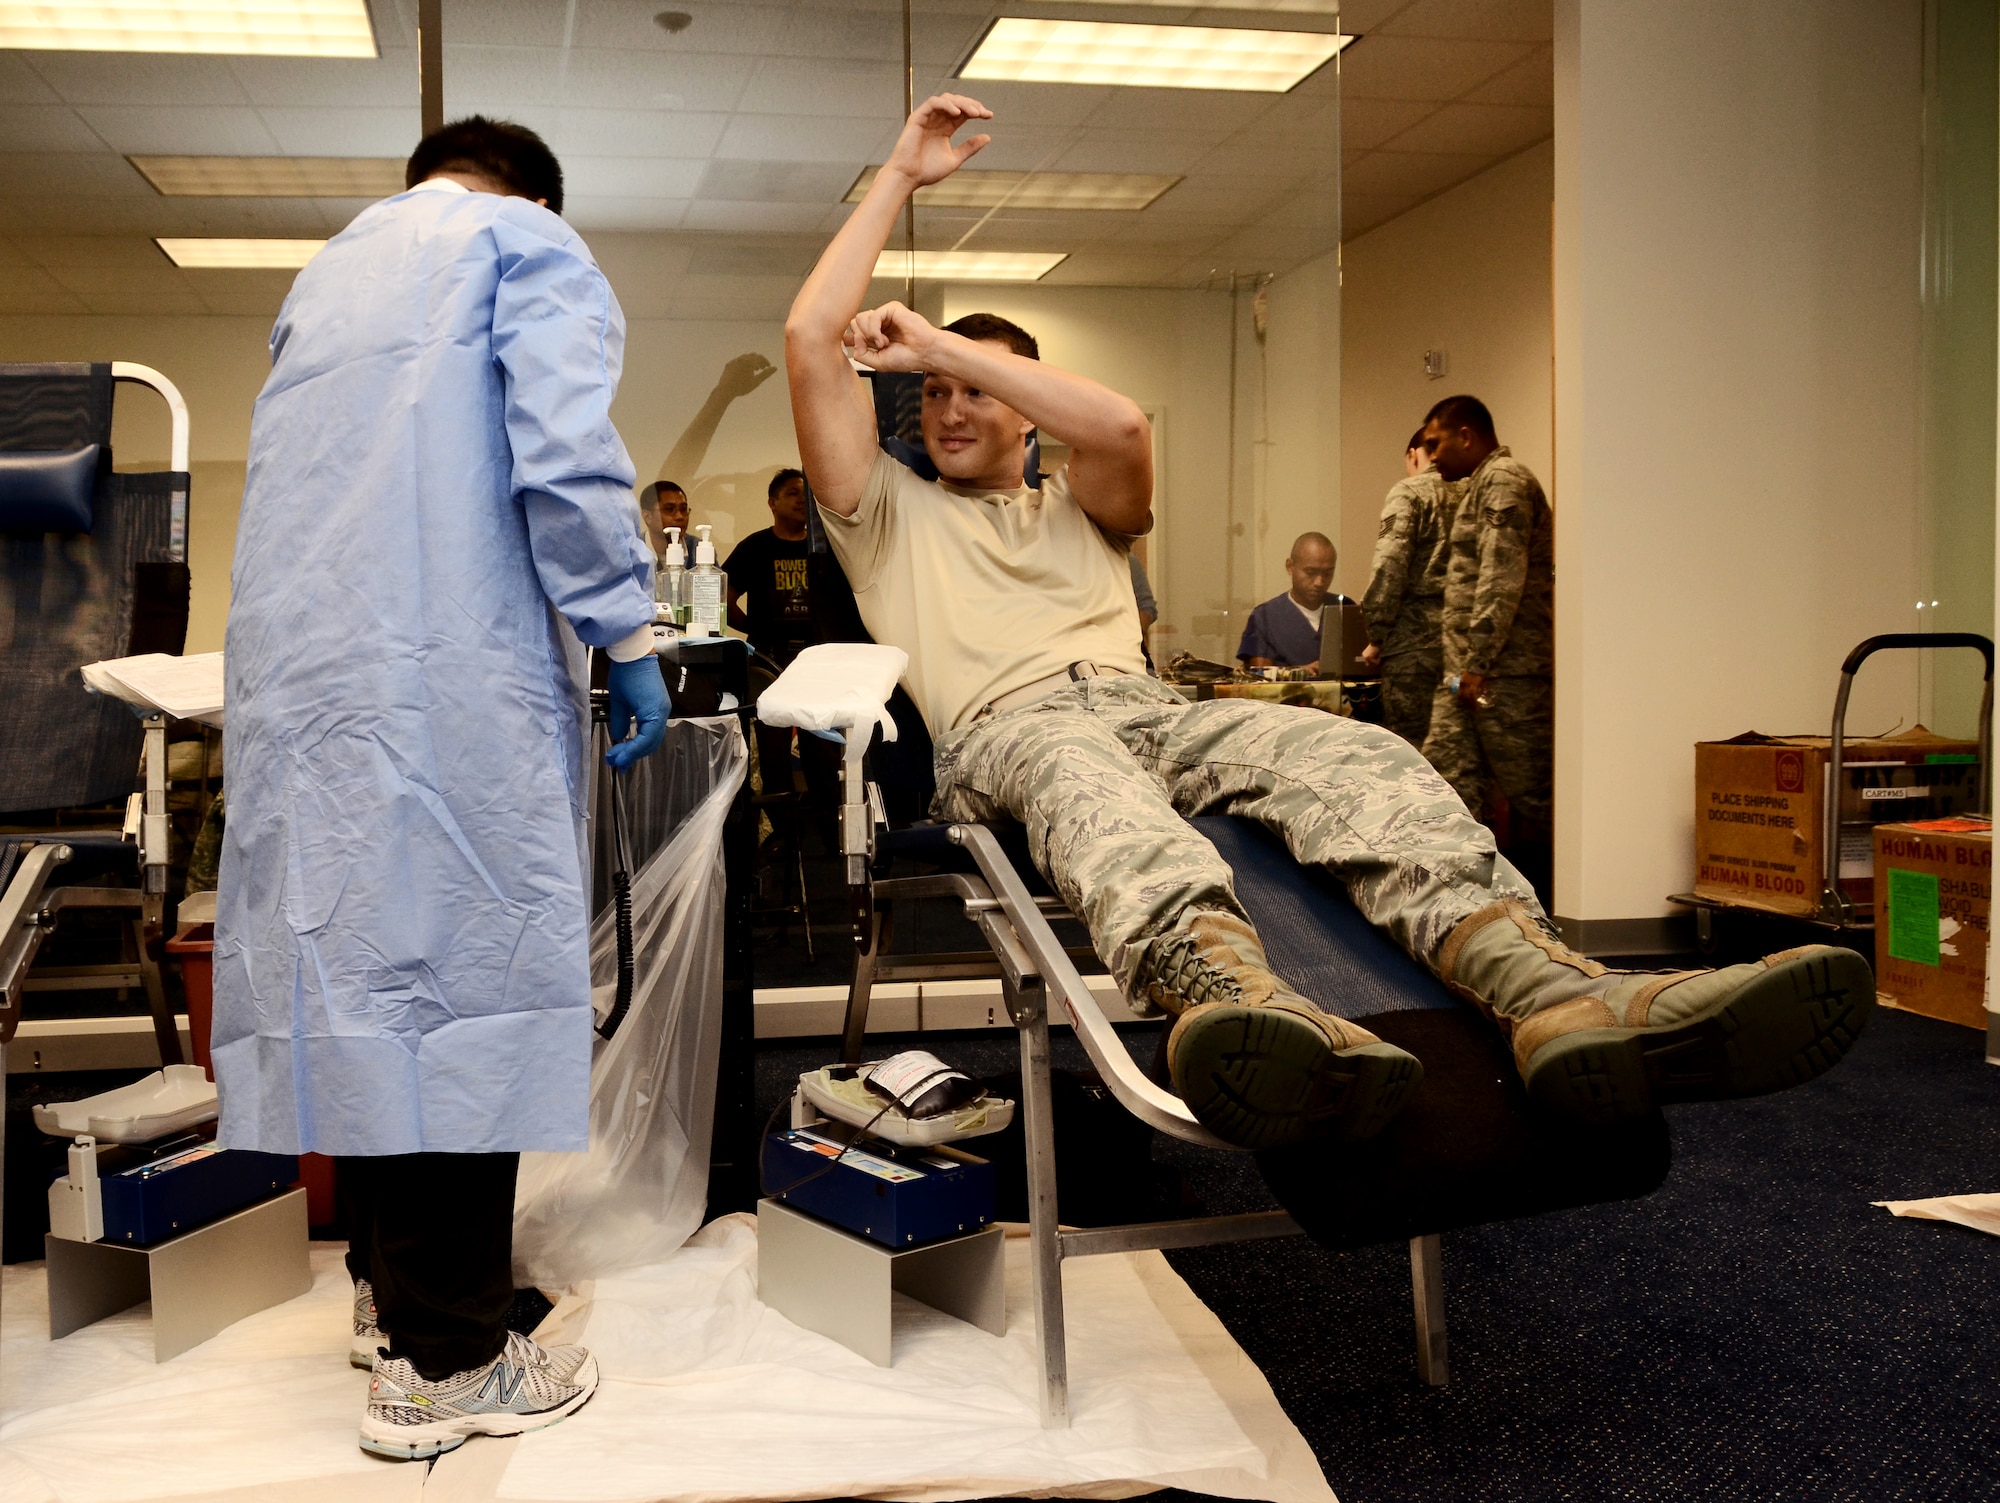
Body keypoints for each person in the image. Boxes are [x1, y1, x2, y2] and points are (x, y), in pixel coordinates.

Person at [785, 94, 1871, 1156]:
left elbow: (1118, 424)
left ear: (1024, 410)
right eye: (931, 395)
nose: (947, 409)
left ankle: (1547, 989)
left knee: (1356, 754)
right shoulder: (885, 514)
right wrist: (901, 176)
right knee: (1087, 779)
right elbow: (807, 337)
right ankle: (1229, 998)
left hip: (1153, 710)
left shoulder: (1082, 500)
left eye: (971, 391)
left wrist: (943, 346)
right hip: (1010, 730)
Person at [213, 116, 667, 1461]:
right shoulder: (524, 243)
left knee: (360, 990)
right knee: (460, 993)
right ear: (539, 196)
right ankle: (448, 1365)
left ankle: (392, 1293)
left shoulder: (327, 273)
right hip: (446, 678)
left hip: (309, 690)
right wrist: (625, 632)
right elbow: (564, 455)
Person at [1416, 395, 1556, 905]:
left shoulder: (1504, 481)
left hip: (1504, 677)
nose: (1432, 456)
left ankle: (1554, 907)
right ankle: (1467, 905)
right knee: (1442, 784)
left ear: (1466, 436)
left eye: (1437, 443)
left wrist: (1477, 663)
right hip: (1464, 678)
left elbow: (1501, 577)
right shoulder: (1476, 486)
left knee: (1533, 796)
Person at [1361, 428, 1461, 748]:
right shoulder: (1472, 492)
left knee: (1414, 755)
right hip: (1464, 651)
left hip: (1415, 654)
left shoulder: (1410, 492)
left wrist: (1376, 636)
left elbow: (1389, 569)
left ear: (1413, 454)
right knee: (1457, 754)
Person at [725, 468, 815, 664]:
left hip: (816, 655)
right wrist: (754, 629)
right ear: (772, 503)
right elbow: (722, 600)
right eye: (793, 493)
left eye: (806, 494)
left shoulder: (822, 547)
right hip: (767, 657)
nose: (802, 500)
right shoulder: (754, 547)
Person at [1237, 532, 1352, 670]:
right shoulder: (1264, 617)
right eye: (1311, 573)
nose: (1319, 582)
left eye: (1327, 573)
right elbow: (1258, 674)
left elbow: (1363, 664)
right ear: (1290, 567)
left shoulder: (1345, 608)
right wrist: (1297, 672)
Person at [639, 477, 690, 560]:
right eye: (669, 509)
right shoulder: (632, 551)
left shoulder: (697, 548)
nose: (679, 516)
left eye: (683, 509)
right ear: (647, 517)